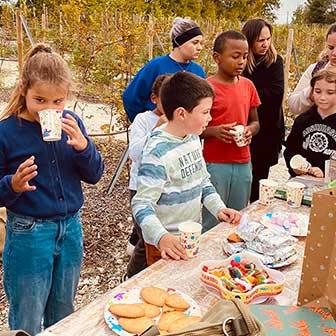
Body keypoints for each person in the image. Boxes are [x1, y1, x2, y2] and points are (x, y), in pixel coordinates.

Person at [0, 43, 104, 335]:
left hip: (70, 230)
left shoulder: (73, 124)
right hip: (28, 233)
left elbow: (95, 175)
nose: (50, 109)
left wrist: (84, 148)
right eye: (40, 100)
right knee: (28, 316)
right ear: (23, 89)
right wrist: (13, 184)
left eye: (57, 102)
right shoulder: (6, 132)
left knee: (63, 312)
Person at [131, 71, 241, 263]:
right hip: (165, 245)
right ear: (181, 113)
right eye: (205, 112)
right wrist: (161, 237)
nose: (210, 119)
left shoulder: (192, 138)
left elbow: (203, 182)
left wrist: (219, 208)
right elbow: (141, 204)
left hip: (190, 236)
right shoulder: (157, 152)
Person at [201, 30, 260, 232]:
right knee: (212, 218)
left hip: (243, 161)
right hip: (215, 163)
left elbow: (255, 122)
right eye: (235, 56)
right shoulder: (207, 88)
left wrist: (250, 131)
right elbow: (195, 129)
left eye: (245, 57)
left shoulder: (248, 86)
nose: (241, 62)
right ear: (217, 58)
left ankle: (231, 259)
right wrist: (214, 131)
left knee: (238, 215)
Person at [126, 74, 169, 278]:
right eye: (166, 98)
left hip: (166, 187)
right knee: (146, 238)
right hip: (141, 187)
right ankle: (131, 277)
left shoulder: (178, 120)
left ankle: (154, 275)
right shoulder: (143, 120)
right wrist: (156, 130)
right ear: (154, 99)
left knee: (159, 236)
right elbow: (135, 154)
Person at [122, 17, 205, 122]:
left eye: (201, 43)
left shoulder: (198, 71)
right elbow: (130, 98)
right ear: (179, 42)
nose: (199, 47)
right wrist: (145, 124)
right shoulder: (156, 66)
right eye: (195, 42)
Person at [242, 18, 285, 203]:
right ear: (249, 40)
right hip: (246, 126)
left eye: (268, 39)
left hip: (267, 129)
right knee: (243, 177)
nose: (265, 43)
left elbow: (276, 94)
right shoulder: (242, 62)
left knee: (260, 180)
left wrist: (248, 95)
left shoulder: (275, 62)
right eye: (260, 40)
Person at [284, 68, 336, 178]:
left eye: (330, 92)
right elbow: (290, 150)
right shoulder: (302, 120)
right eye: (318, 91)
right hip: (300, 182)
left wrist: (325, 173)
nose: (322, 97)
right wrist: (294, 166)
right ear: (311, 92)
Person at [288, 23, 336, 115]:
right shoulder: (316, 69)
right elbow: (293, 105)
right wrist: (315, 89)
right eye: (331, 48)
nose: (334, 53)